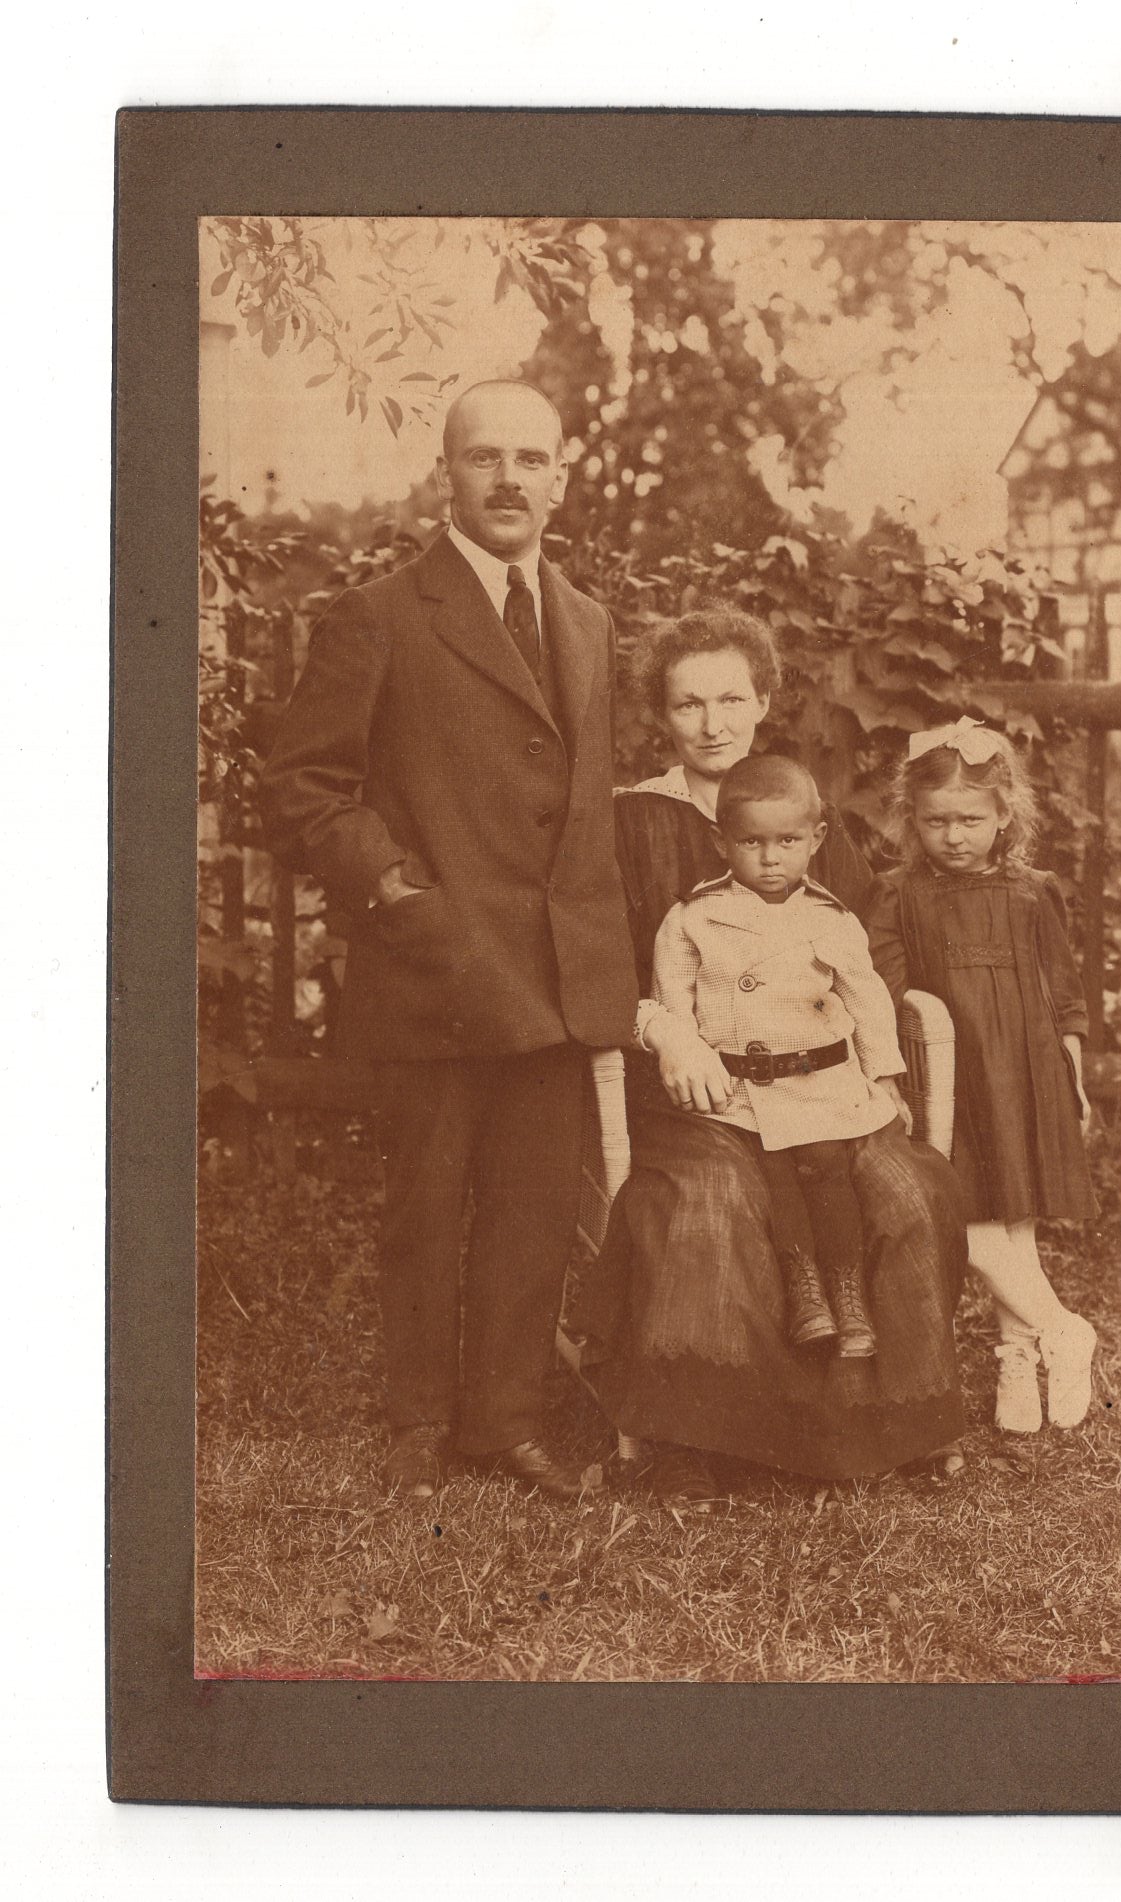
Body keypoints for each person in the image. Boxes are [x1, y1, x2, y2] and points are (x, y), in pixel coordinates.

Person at [258, 380, 638, 1500]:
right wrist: (393, 888)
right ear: (447, 475)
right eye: (485, 458)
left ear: (561, 478)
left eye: (531, 459)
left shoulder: (586, 618)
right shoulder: (379, 613)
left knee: (530, 1212)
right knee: (426, 1210)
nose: (508, 479)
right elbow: (300, 791)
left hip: (556, 977)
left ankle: (505, 1422)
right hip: (435, 973)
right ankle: (416, 1428)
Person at [572, 609, 968, 1499]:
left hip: (824, 1087)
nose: (713, 723)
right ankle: (695, 1441)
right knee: (709, 1201)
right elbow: (597, 966)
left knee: (909, 1190)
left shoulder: (799, 809)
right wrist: (665, 1031)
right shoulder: (630, 821)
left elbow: (866, 948)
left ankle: (898, 1425)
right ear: (661, 716)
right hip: (696, 1089)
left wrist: (880, 1066)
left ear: (762, 702)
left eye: (730, 699)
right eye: (688, 704)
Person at [864, 716, 1098, 1434]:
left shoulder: (1033, 893)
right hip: (952, 1082)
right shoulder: (898, 894)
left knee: (1013, 1216)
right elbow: (885, 993)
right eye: (937, 821)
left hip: (1025, 1075)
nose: (954, 835)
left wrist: (1076, 1078)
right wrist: (896, 1080)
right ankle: (1063, 1327)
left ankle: (1015, 1357)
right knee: (968, 1216)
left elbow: (1065, 997)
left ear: (1004, 814)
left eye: (970, 818)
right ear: (913, 820)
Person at [651, 753, 918, 1361]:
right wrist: (685, 1052)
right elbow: (672, 1005)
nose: (771, 859)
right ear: (721, 842)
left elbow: (868, 997)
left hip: (820, 1080)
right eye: (751, 842)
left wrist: (885, 1075)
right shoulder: (694, 918)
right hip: (743, 1089)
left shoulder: (831, 918)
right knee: (772, 1175)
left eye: (788, 841)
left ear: (816, 839)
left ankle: (846, 1294)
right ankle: (804, 1292)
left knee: (827, 1165)